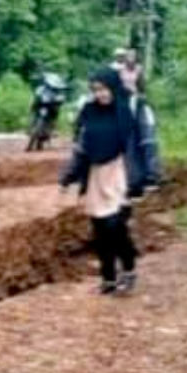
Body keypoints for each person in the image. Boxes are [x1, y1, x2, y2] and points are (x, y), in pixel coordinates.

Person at [59, 68, 148, 296]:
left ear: (113, 87)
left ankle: (128, 270)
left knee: (115, 227)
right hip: (97, 175)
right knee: (100, 230)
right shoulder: (89, 112)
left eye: (104, 88)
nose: (101, 94)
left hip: (120, 173)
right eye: (96, 90)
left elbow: (146, 144)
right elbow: (82, 148)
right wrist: (68, 176)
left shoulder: (130, 110)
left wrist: (149, 176)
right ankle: (108, 278)